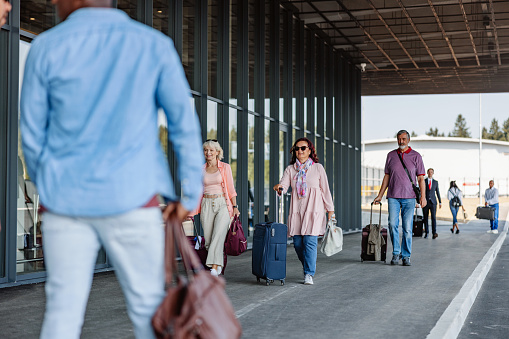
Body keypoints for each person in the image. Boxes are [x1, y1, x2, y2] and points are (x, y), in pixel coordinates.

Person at [20, 1, 204, 338]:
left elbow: (32, 134)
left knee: (62, 313)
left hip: (66, 204)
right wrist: (190, 194)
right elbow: (183, 125)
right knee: (151, 312)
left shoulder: (46, 47)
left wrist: (48, 185)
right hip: (134, 200)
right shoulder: (152, 45)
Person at [273, 138, 334, 285]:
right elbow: (284, 184)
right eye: (297, 148)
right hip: (297, 211)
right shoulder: (290, 169)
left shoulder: (318, 168)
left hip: (314, 210)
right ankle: (308, 265)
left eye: (303, 148)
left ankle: (309, 273)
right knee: (298, 243)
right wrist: (280, 187)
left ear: (310, 150)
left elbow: (325, 189)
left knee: (309, 241)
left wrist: (330, 210)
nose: (300, 151)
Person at [374, 130, 426, 266]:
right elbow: (387, 176)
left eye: (403, 139)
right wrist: (380, 195)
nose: (401, 141)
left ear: (408, 140)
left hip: (410, 198)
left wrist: (423, 197)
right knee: (392, 224)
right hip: (393, 197)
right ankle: (396, 253)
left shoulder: (416, 156)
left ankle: (406, 255)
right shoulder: (391, 155)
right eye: (399, 139)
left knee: (408, 228)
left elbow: (421, 178)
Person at [192, 139, 240, 276]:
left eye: (211, 150)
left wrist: (235, 206)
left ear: (217, 152)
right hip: (206, 204)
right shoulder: (200, 169)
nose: (208, 153)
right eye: (206, 150)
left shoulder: (225, 167)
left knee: (218, 235)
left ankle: (213, 267)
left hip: (222, 204)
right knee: (208, 240)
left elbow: (231, 189)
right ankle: (218, 263)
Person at [423, 168, 441, 239]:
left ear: (433, 173)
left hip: (433, 202)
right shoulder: (424, 181)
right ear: (427, 173)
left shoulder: (435, 182)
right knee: (425, 218)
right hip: (426, 202)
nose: (430, 173)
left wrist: (440, 201)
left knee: (433, 218)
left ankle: (434, 233)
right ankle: (426, 232)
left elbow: (437, 192)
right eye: (429, 172)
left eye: (431, 172)